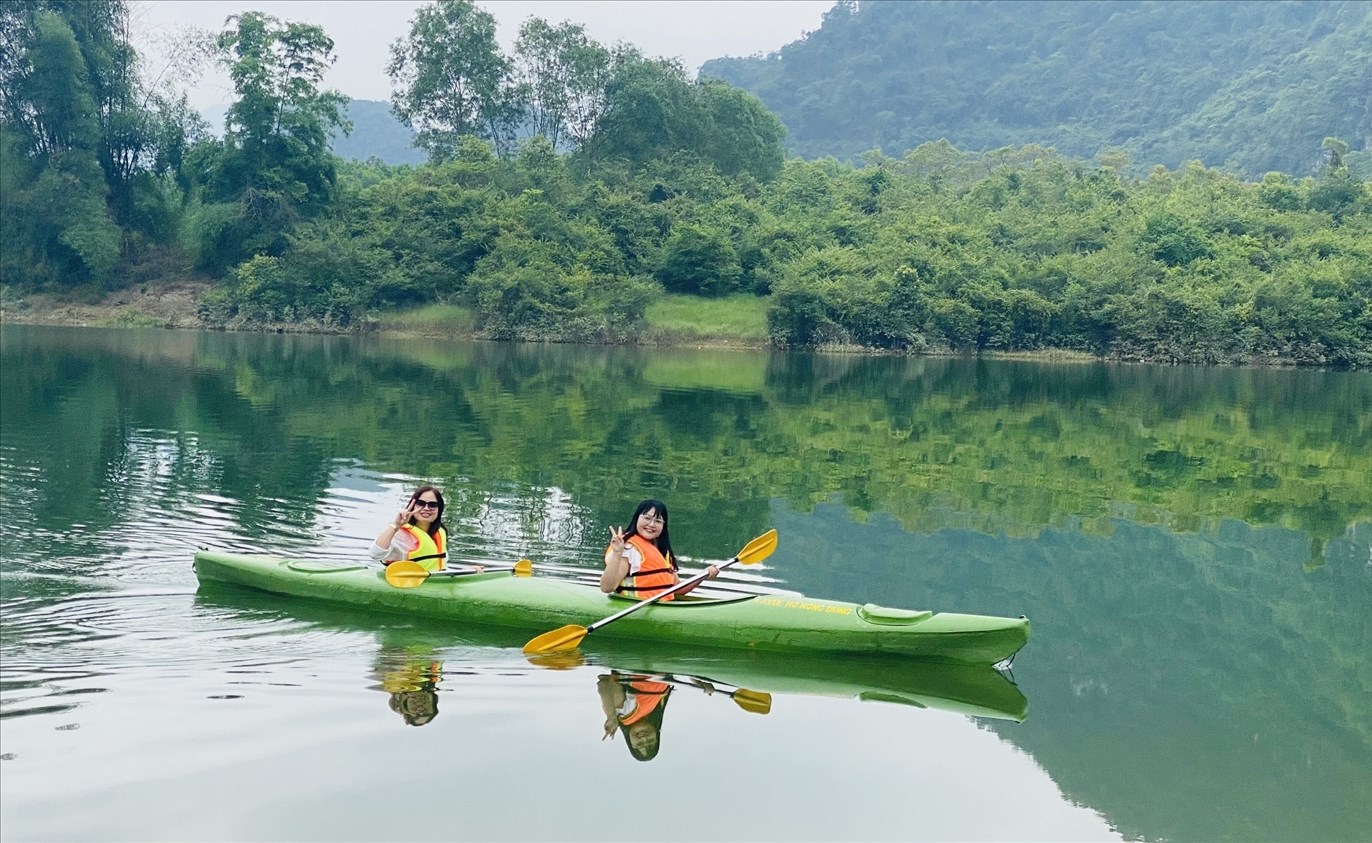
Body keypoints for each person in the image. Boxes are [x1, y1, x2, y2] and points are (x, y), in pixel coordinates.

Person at [598, 499, 718, 600]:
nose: (651, 524)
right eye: (647, 518)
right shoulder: (628, 548)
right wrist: (618, 553)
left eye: (658, 521)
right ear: (637, 519)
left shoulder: (661, 550)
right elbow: (607, 587)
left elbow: (676, 589)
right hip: (634, 608)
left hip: (660, 608)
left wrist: (703, 575)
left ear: (663, 526)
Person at [597, 671, 673, 761]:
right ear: (656, 734)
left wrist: (611, 716)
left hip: (635, 666)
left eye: (639, 744)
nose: (644, 738)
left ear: (630, 741)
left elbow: (604, 682)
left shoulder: (626, 714)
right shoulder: (657, 705)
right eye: (650, 741)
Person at [370, 485, 449, 571]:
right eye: (420, 504)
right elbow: (375, 554)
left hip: (434, 580)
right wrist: (396, 525)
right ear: (413, 506)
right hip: (403, 581)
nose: (426, 508)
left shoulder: (441, 533)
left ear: (439, 509)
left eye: (432, 505)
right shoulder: (400, 533)